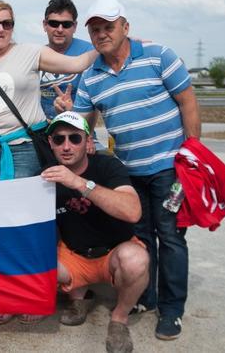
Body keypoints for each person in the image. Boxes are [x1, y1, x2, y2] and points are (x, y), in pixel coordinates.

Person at [0, 0, 97, 324]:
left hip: (23, 149)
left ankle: (32, 295)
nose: (0, 29)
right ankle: (6, 294)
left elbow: (76, 64)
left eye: (7, 23)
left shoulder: (30, 53)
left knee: (27, 224)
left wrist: (102, 46)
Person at [74, 0, 201, 341]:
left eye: (108, 27)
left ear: (125, 27)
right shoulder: (91, 77)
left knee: (171, 237)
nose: (102, 34)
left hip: (169, 167)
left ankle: (172, 310)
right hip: (129, 172)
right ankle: (147, 298)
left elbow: (188, 101)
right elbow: (84, 123)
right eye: (95, 29)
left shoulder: (159, 56)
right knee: (142, 238)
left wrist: (193, 152)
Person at [40, 111, 148, 353]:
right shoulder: (47, 176)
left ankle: (119, 319)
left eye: (74, 138)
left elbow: (133, 212)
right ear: (51, 144)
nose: (66, 146)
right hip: (74, 255)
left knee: (136, 260)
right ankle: (78, 299)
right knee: (35, 259)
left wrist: (80, 184)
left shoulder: (107, 165)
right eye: (59, 140)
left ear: (88, 142)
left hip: (113, 253)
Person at [39, 0, 94, 119]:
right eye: (54, 23)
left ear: (74, 26)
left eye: (66, 24)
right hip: (44, 131)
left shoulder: (91, 52)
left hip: (78, 130)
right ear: (44, 25)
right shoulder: (37, 55)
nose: (59, 29)